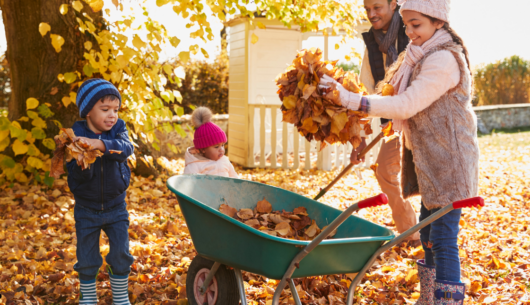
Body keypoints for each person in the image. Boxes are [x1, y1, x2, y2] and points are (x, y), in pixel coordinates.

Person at [320, 0, 478, 303]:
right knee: (430, 238)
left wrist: (351, 100)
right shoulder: (418, 55)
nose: (409, 32)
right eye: (406, 25)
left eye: (416, 25)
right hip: (428, 162)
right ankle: (429, 296)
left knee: (444, 240)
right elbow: (388, 96)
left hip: (449, 163)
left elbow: (406, 103)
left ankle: (445, 300)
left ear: (438, 23)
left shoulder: (443, 60)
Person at [359, 0, 421, 246]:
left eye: (377, 7)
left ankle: (438, 238)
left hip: (421, 118)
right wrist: (359, 138)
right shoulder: (371, 45)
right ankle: (411, 233)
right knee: (385, 171)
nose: (371, 14)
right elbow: (365, 92)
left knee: (430, 177)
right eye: (367, 9)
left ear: (393, 4)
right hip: (394, 125)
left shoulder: (413, 30)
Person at [68, 78, 135, 305]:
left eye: (115, 109)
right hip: (87, 208)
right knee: (87, 256)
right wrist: (82, 163)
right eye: (104, 109)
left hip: (117, 206)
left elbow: (126, 148)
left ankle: (120, 296)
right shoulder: (75, 135)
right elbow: (76, 180)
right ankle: (87, 296)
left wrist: (100, 145)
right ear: (88, 112)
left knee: (121, 254)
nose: (112, 115)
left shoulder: (119, 129)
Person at [184, 107, 239, 178]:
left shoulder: (225, 161)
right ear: (203, 149)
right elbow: (188, 184)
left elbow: (235, 179)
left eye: (222, 145)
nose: (221, 149)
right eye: (216, 147)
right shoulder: (195, 165)